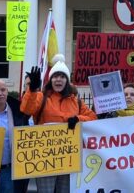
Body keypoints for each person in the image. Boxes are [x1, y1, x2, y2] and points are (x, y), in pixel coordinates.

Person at [20, 55, 97, 192]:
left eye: (62, 76)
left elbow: (92, 118)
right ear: (51, 80)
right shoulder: (41, 97)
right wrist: (31, 91)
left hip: (68, 156)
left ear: (67, 80)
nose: (58, 80)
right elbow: (26, 109)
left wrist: (78, 119)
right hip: (45, 157)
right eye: (55, 76)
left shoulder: (75, 100)